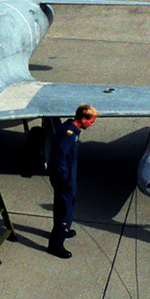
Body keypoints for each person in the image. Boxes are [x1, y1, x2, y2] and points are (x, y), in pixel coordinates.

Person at [47, 104, 97, 259]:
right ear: (83, 119)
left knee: (64, 206)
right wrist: (63, 179)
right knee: (65, 210)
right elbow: (58, 158)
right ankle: (56, 245)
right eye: (91, 121)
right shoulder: (68, 134)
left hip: (68, 176)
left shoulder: (71, 129)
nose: (92, 124)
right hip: (65, 179)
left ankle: (64, 230)